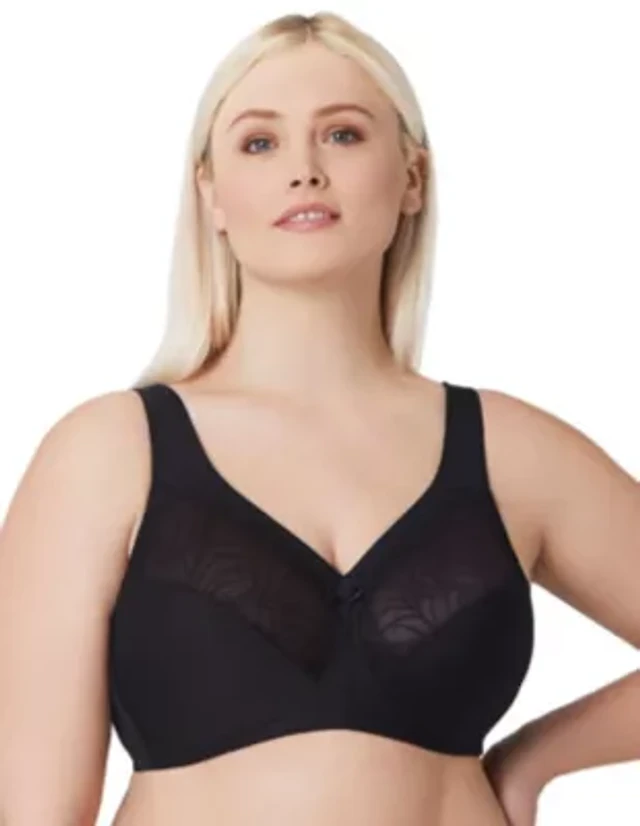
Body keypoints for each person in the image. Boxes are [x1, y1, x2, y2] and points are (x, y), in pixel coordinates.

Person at [1, 11, 638, 826]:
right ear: (211, 194)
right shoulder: (107, 454)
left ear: (412, 178)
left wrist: (534, 759)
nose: (304, 170)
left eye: (342, 134)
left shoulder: (513, 452)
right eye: (260, 143)